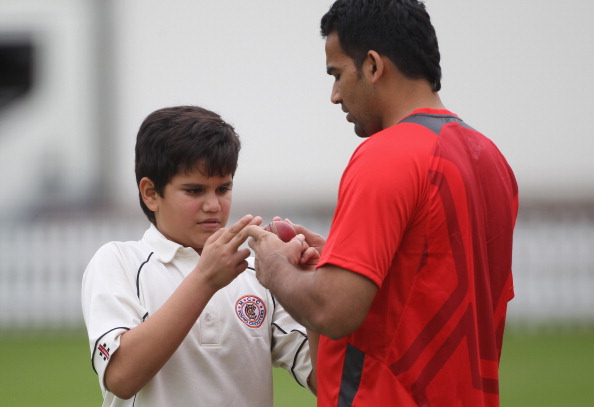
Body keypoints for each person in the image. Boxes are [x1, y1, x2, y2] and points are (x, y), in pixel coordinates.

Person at [241, 1, 519, 406]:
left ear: (372, 65)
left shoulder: (387, 154)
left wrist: (273, 267)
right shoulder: (492, 160)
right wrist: (337, 257)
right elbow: (433, 286)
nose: (335, 95)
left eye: (337, 74)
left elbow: (333, 309)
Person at [81, 105, 317, 407]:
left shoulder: (258, 271)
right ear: (150, 193)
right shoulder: (119, 261)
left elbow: (327, 381)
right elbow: (121, 377)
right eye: (194, 191)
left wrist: (312, 287)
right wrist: (205, 280)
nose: (213, 205)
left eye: (223, 188)